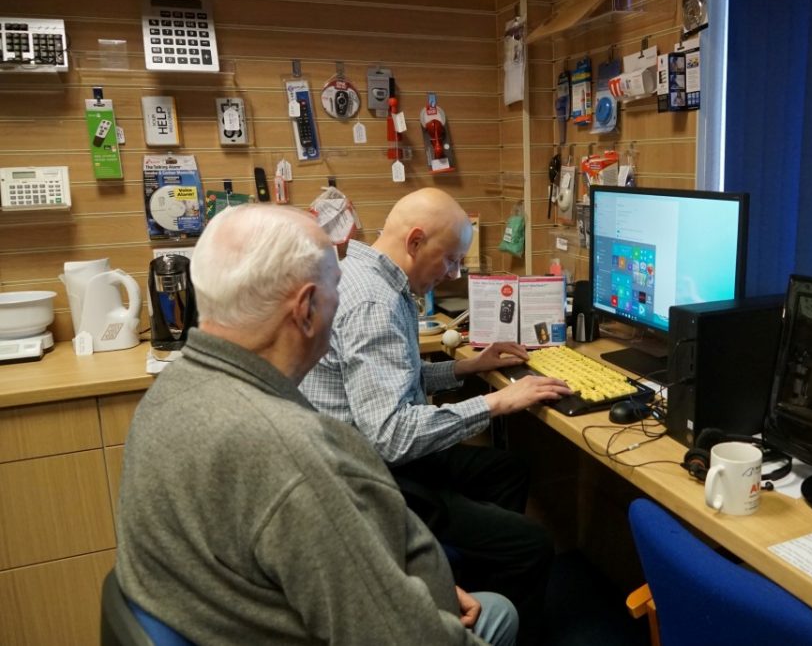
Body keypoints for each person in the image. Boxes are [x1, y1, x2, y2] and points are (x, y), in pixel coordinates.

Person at [116, 204, 517, 646]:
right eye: (336, 289)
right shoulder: (291, 454)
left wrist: (394, 587)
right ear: (307, 308)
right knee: (500, 615)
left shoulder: (170, 390)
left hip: (226, 612)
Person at [301, 188, 571, 646]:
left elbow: (395, 378)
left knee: (506, 471)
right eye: (450, 260)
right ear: (416, 241)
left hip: (368, 453)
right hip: (375, 477)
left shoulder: (371, 276)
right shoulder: (375, 302)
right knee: (531, 544)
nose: (455, 273)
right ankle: (488, 630)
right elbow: (390, 434)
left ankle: (465, 581)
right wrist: (494, 402)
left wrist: (469, 366)